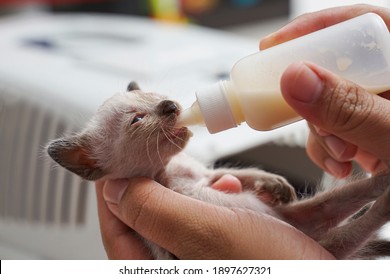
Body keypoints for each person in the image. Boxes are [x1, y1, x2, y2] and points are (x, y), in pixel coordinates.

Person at [95, 4, 390, 259]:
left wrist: (256, 178)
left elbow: (210, 178)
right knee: (326, 243)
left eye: (157, 101)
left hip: (271, 224)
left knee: (323, 210)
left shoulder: (173, 163)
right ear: (91, 161)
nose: (171, 109)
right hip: (267, 234)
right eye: (136, 121)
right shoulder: (143, 181)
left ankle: (381, 190)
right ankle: (379, 212)